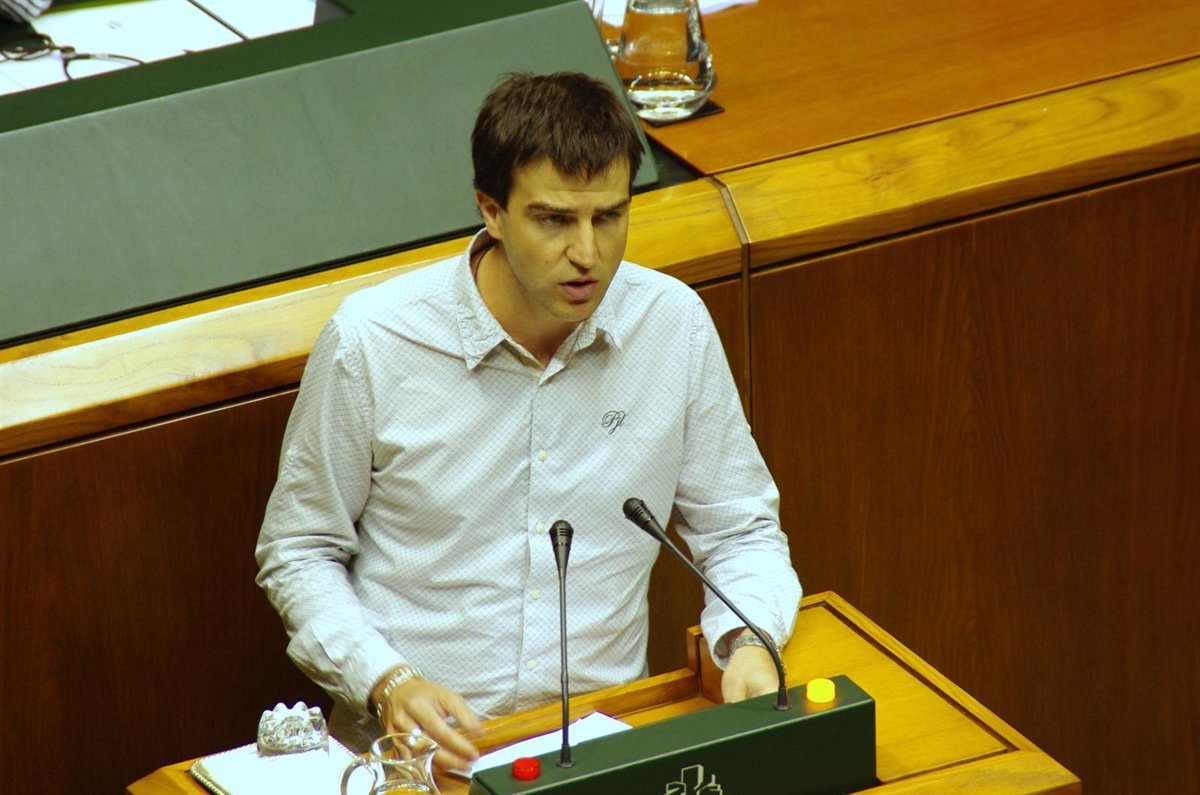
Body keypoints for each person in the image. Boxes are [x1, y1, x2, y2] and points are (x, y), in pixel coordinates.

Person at [255, 71, 801, 771]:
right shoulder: (374, 343)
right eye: (554, 220)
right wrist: (386, 681)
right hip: (416, 761)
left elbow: (740, 530)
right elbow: (299, 550)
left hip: (601, 749)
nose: (588, 253)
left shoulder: (672, 327)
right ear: (491, 210)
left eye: (609, 217)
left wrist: (749, 642)